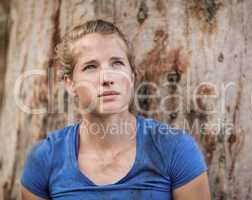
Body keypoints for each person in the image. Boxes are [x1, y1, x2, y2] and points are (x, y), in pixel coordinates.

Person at [21, 19, 211, 200]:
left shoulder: (175, 149)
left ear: (132, 75)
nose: (107, 78)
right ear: (70, 84)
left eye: (117, 63)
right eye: (91, 67)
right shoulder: (44, 159)